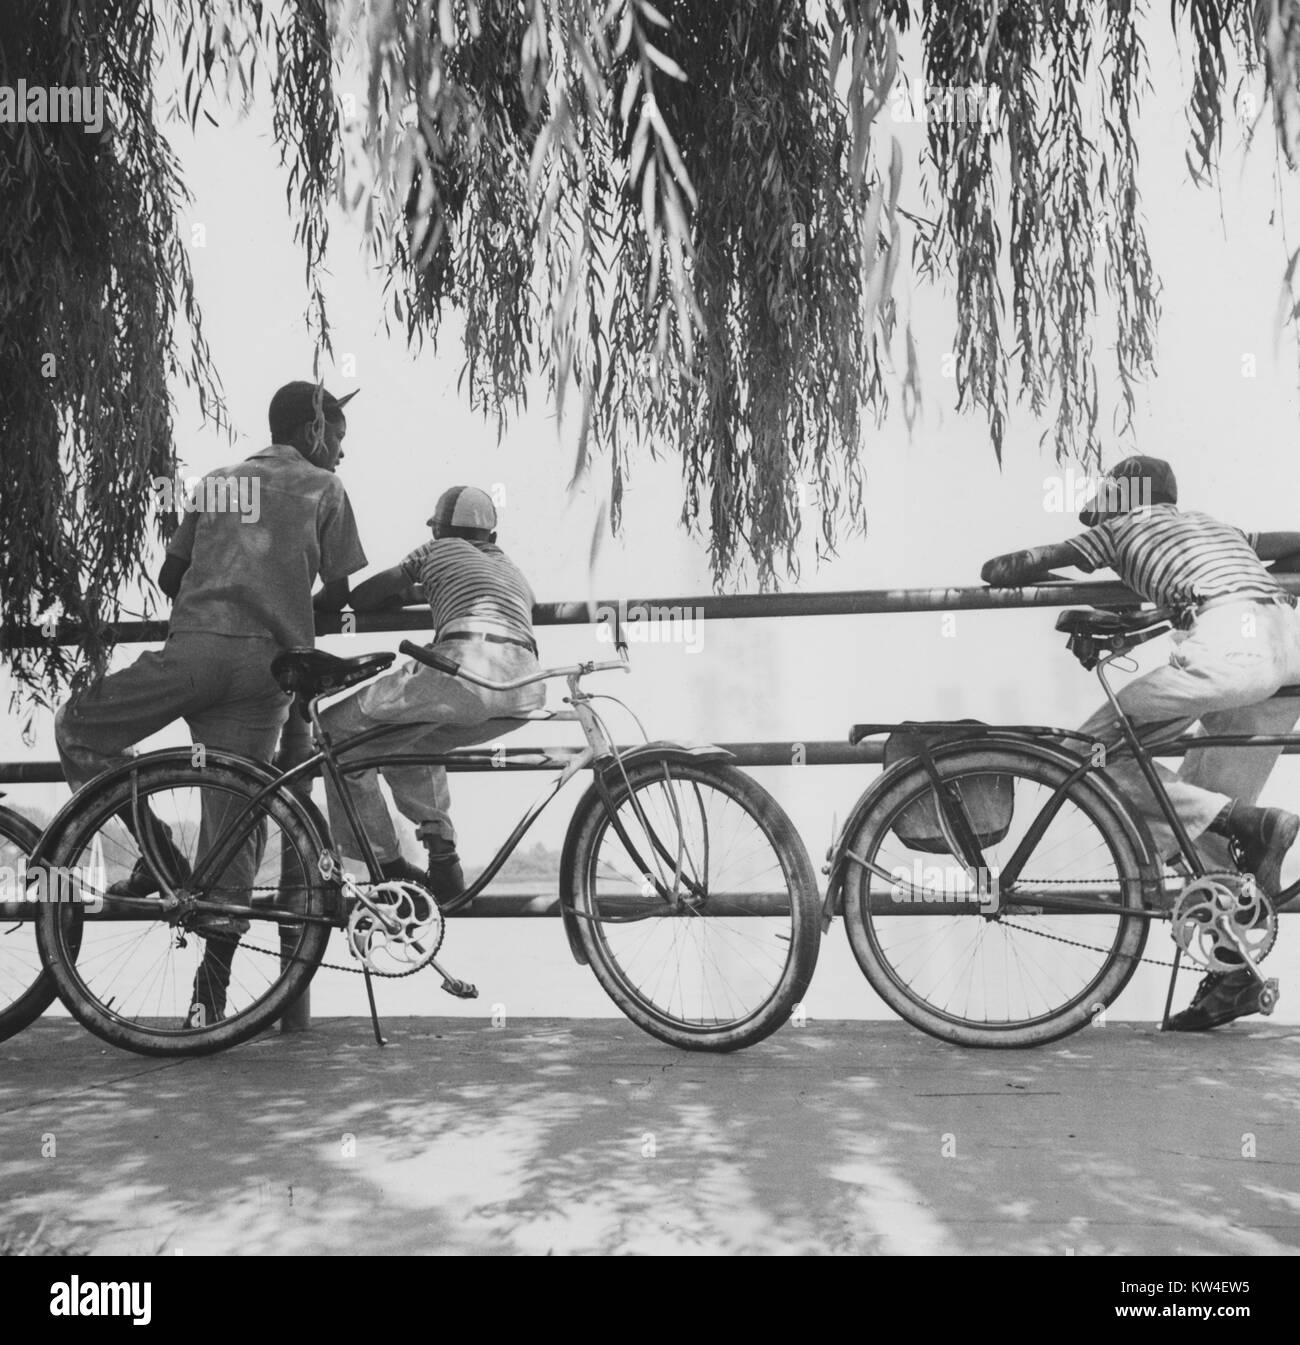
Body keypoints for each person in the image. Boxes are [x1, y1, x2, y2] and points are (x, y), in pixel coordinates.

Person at [55, 380, 368, 1025]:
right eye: (336, 435)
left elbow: (172, 577)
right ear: (311, 431)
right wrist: (284, 598)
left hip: (194, 654)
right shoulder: (326, 489)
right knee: (239, 815)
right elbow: (338, 594)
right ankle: (212, 991)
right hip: (267, 671)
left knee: (79, 727)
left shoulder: (219, 481)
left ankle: (157, 853)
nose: (340, 450)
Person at [980, 455, 1300, 1031]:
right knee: (1193, 832)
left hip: (1228, 657)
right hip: (1287, 658)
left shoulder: (1119, 528)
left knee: (1084, 752)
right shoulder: (1221, 529)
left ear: (1123, 499)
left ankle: (1251, 823)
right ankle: (1234, 974)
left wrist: (1078, 597)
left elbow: (1001, 568)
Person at [319, 485, 544, 907]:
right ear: (491, 540)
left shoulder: (436, 551)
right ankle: (443, 856)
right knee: (409, 744)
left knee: (334, 734)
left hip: (464, 671)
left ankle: (386, 865)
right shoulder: (511, 568)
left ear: (439, 530)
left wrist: (411, 587)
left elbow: (362, 596)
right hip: (522, 689)